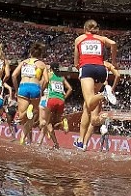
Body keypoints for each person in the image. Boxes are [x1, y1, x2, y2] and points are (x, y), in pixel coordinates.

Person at [73, 19, 118, 150]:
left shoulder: (79, 39)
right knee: (88, 106)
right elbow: (114, 43)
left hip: (86, 68)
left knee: (89, 101)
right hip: (101, 69)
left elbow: (76, 62)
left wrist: (80, 68)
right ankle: (81, 142)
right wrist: (113, 61)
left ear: (84, 28)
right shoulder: (101, 38)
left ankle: (104, 94)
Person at [78, 60, 120, 150]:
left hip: (94, 95)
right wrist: (112, 89)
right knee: (92, 121)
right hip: (100, 92)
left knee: (92, 119)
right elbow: (118, 75)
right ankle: (84, 143)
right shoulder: (106, 65)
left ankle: (103, 121)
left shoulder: (89, 64)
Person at [12, 42, 47, 145]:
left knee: (23, 116)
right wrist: (41, 90)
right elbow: (46, 80)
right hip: (35, 87)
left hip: (23, 87)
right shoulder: (41, 64)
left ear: (30, 53)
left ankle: (21, 121)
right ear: (40, 54)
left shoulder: (24, 62)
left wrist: (16, 89)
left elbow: (14, 75)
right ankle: (24, 137)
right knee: (33, 113)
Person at [38, 66, 71, 149]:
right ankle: (62, 122)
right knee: (56, 122)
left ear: (51, 69)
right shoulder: (62, 77)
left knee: (48, 123)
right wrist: (64, 98)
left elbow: (44, 82)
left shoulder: (49, 75)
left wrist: (42, 90)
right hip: (61, 101)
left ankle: (56, 143)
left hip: (51, 100)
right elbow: (70, 89)